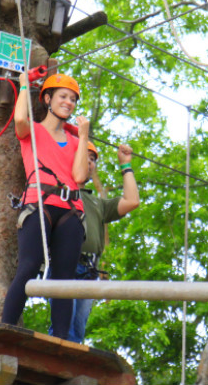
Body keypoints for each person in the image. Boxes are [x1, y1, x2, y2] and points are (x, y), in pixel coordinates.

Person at [1, 72, 90, 339]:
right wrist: (24, 84)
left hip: (71, 210)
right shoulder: (33, 131)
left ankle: (61, 339)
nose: (69, 103)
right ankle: (5, 329)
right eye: (64, 97)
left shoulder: (75, 141)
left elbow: (79, 177)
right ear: (48, 99)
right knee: (29, 267)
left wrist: (84, 136)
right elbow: (18, 119)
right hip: (39, 203)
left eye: (73, 99)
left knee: (64, 279)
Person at [49, 141, 141, 343]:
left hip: (88, 270)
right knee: (63, 326)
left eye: (93, 160)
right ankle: (56, 360)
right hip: (63, 265)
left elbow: (132, 201)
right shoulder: (56, 194)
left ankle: (68, 365)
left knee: (78, 329)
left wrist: (126, 165)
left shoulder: (95, 203)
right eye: (85, 157)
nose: (89, 163)